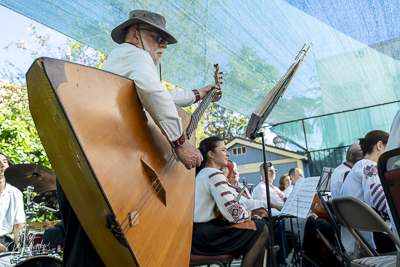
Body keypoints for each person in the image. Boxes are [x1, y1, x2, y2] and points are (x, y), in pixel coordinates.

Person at [59, 9, 222, 266]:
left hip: (87, 163)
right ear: (135, 35)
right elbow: (153, 91)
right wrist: (180, 143)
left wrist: (197, 94)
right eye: (158, 37)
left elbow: (158, 94)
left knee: (87, 249)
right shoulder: (135, 56)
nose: (164, 44)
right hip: (95, 165)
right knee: (89, 255)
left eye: (164, 40)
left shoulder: (127, 62)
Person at [192, 137, 269, 267]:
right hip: (207, 236)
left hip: (199, 234)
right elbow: (233, 213)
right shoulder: (213, 174)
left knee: (258, 227)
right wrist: (248, 215)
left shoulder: (204, 174)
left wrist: (247, 215)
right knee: (262, 229)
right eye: (223, 150)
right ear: (211, 154)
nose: (228, 154)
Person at [340, 130, 396, 255]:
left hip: (357, 239)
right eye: (390, 147)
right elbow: (380, 202)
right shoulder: (368, 166)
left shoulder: (357, 168)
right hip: (372, 240)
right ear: (380, 145)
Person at [0, 153, 25, 252]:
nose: (2, 165)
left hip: (6, 241)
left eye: (5, 162)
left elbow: (19, 226)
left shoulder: (16, 193)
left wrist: (20, 250)